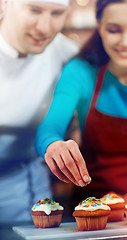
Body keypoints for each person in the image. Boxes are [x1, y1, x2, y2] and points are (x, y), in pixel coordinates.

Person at [35, 0, 127, 210]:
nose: (125, 41)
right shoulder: (80, 72)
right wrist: (53, 144)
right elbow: (49, 127)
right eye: (114, 30)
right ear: (100, 27)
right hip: (89, 207)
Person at [0, 0, 79, 223]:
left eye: (57, 13)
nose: (45, 27)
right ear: (5, 3)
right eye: (34, 10)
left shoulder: (67, 54)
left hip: (26, 192)